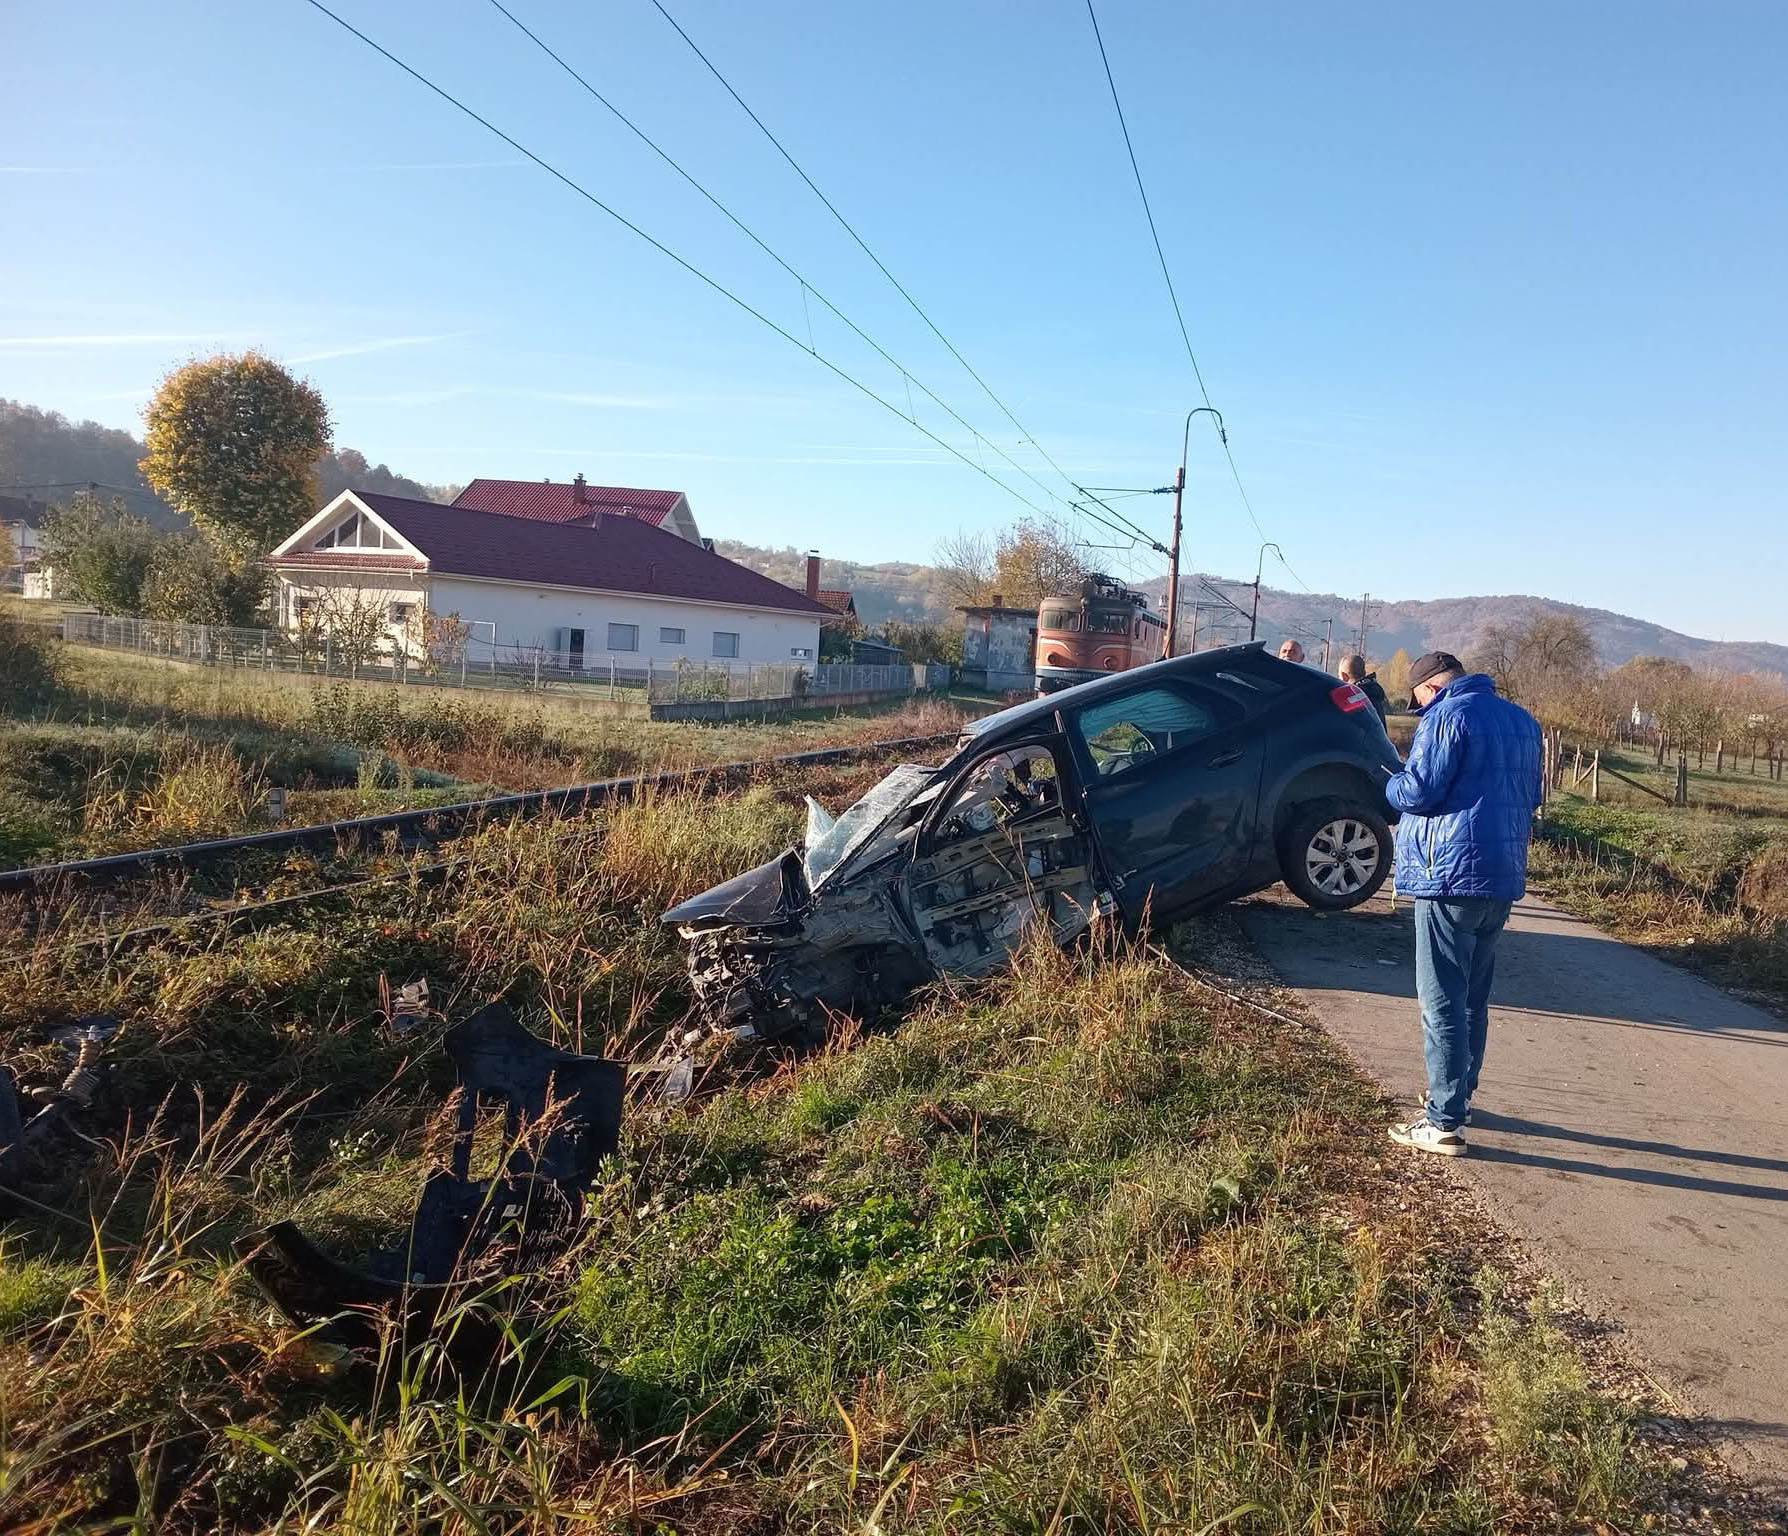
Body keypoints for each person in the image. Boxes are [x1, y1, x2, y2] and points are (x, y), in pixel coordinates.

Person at [1382, 650, 1542, 1156]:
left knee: (1441, 999)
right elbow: (1532, 794)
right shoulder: (1523, 720)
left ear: (1428, 689)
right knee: (1473, 995)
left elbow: (1420, 791)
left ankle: (1444, 1121)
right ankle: (1461, 1096)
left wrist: (1388, 780)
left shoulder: (1445, 716)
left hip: (1448, 876)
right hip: (1501, 874)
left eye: (1419, 699)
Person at [1339, 653, 1389, 724]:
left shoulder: (1352, 700)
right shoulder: (1373, 692)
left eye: (1339, 677)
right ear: (1364, 672)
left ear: (1344, 676)